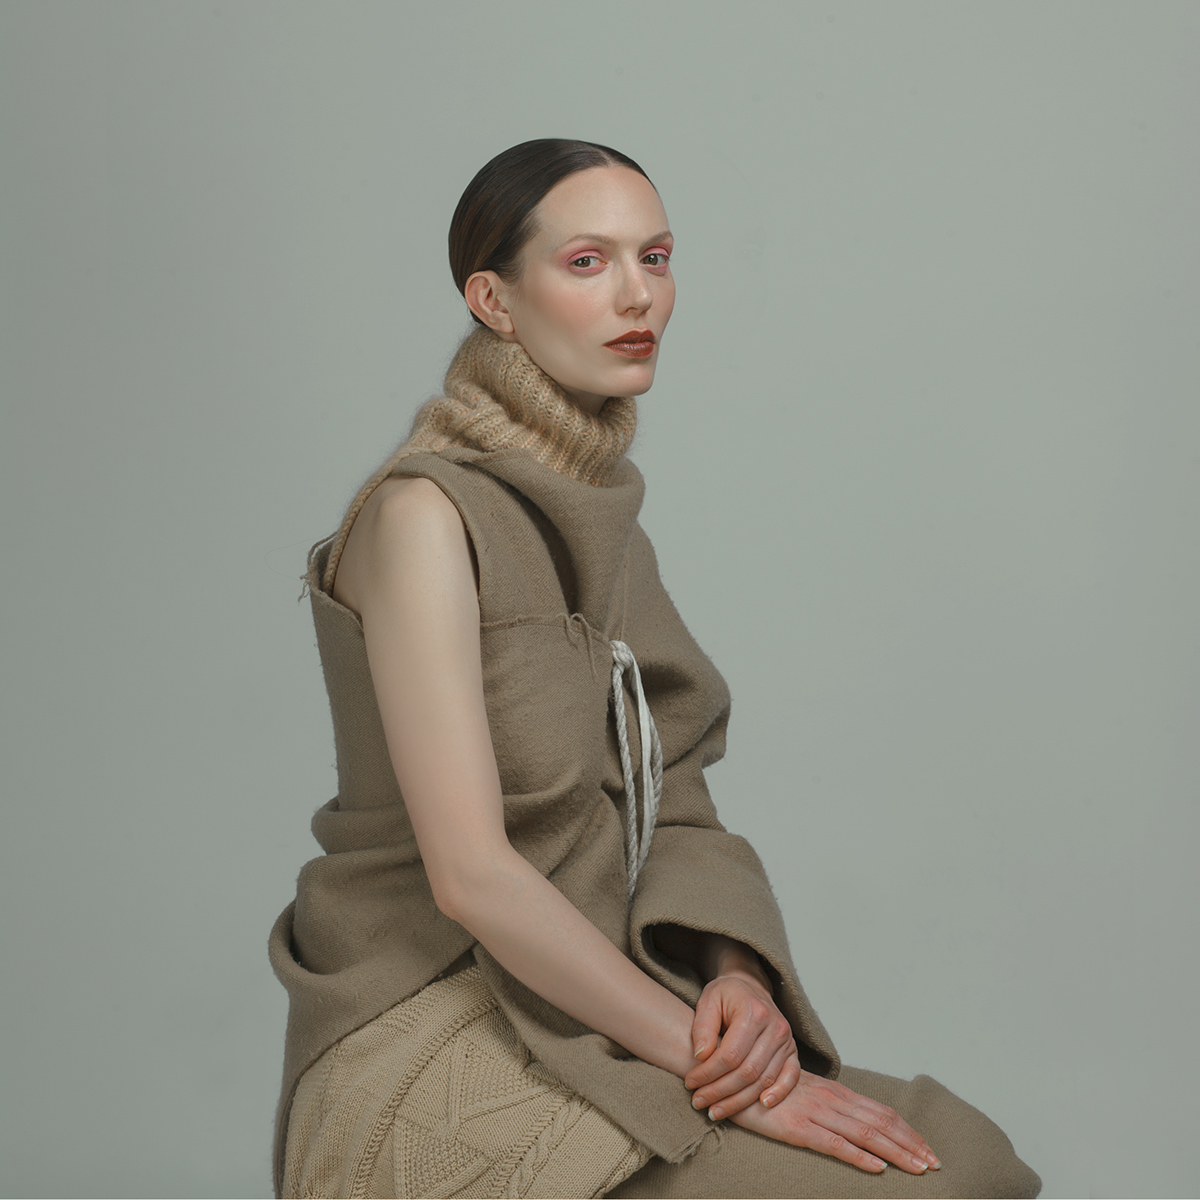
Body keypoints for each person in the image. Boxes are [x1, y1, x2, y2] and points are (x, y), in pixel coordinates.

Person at [268, 138, 1041, 1199]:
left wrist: (738, 983)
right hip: (436, 1016)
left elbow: (670, 791)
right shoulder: (423, 517)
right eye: (587, 262)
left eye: (658, 257)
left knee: (974, 1167)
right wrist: (731, 1077)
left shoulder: (606, 525)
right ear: (492, 299)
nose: (639, 295)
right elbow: (473, 877)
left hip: (606, 995)